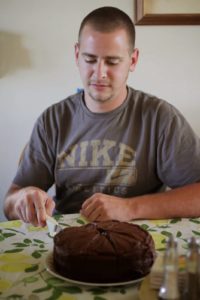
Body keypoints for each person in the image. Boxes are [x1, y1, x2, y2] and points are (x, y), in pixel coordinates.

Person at [4, 6, 200, 227]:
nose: (99, 73)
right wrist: (22, 199)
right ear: (77, 55)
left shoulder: (161, 119)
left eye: (112, 62)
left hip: (138, 242)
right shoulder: (53, 120)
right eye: (89, 59)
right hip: (68, 241)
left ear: (133, 60)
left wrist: (130, 208)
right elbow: (10, 202)